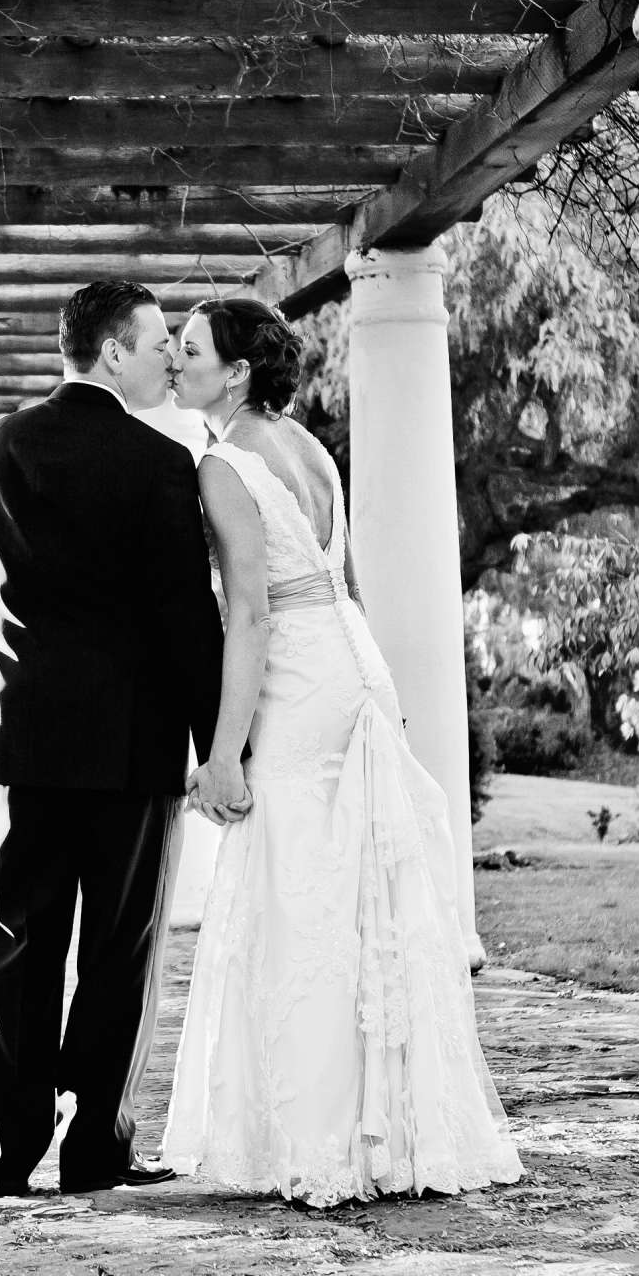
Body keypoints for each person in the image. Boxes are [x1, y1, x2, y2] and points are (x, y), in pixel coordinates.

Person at [161, 297, 521, 1206]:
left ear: (236, 372)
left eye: (192, 350)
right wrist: (375, 689)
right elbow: (347, 581)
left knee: (301, 897)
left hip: (297, 682)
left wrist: (224, 752)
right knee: (364, 895)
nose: (176, 362)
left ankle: (319, 1138)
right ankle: (394, 1130)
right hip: (355, 664)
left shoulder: (223, 465)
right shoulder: (313, 447)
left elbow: (250, 610)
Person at [0, 279, 230, 1197]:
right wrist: (219, 743)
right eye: (156, 342)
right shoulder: (159, 461)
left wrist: (5, 689)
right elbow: (189, 621)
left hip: (20, 741)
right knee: (118, 952)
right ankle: (94, 1154)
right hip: (129, 750)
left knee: (17, 943)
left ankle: (8, 1153)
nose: (166, 358)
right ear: (113, 351)